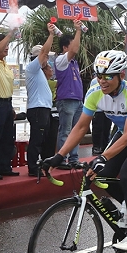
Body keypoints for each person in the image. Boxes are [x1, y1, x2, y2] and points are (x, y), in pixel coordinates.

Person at [41, 50, 127, 251]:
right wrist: (58, 156)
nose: (102, 81)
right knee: (101, 176)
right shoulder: (95, 91)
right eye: (99, 75)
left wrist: (103, 156)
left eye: (107, 76)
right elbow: (80, 128)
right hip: (123, 132)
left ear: (121, 75)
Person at [54, 19, 85, 169]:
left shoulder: (74, 63)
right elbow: (74, 50)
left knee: (76, 131)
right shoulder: (61, 60)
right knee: (66, 131)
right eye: (72, 44)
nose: (75, 47)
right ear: (65, 47)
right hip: (67, 100)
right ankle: (61, 159)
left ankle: (73, 159)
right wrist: (78, 30)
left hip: (77, 100)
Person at [25, 29, 56, 177]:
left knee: (44, 139)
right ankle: (32, 168)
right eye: (46, 57)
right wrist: (51, 34)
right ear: (38, 57)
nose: (48, 60)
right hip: (37, 109)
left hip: (43, 109)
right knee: (37, 139)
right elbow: (44, 51)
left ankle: (42, 164)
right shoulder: (32, 68)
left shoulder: (41, 73)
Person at [0, 30, 18, 180]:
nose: (7, 47)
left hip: (7, 103)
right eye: (5, 44)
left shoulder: (4, 64)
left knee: (6, 137)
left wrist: (12, 106)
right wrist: (10, 33)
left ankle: (4, 167)